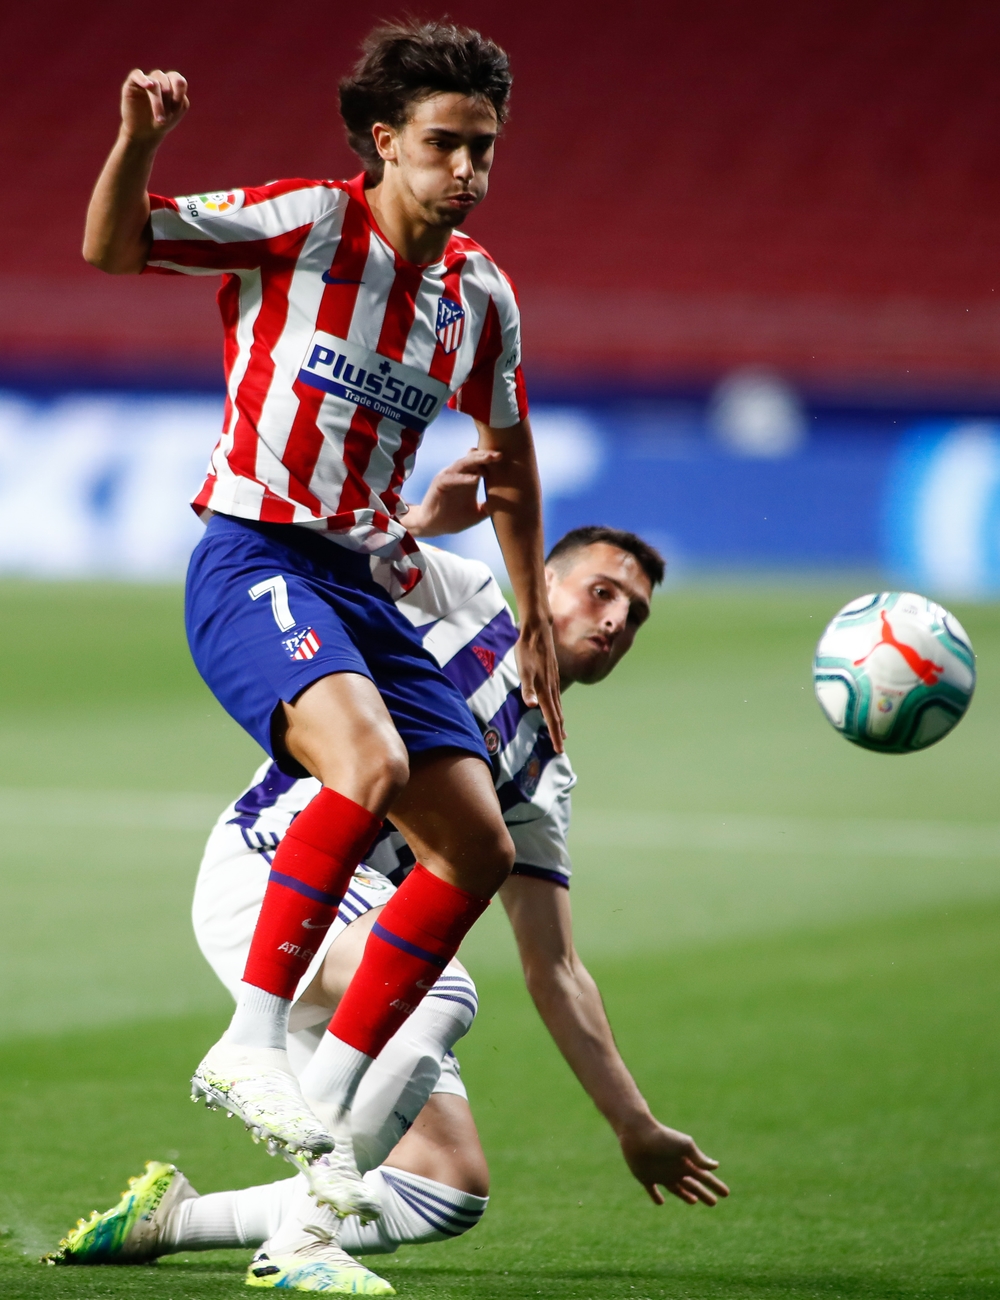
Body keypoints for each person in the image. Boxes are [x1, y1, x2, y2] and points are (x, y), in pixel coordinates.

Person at [81, 19, 566, 1219]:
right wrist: (137, 144)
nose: (468, 171)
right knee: (367, 763)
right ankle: (250, 1037)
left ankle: (328, 1107)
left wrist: (537, 616)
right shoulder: (304, 223)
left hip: (361, 575)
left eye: (484, 149)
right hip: (253, 551)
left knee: (475, 846)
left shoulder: (480, 295)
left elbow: (506, 455)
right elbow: (113, 249)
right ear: (383, 142)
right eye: (445, 145)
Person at [44, 468, 728, 1293]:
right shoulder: (469, 596)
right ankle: (302, 1241)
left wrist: (633, 1122)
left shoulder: (548, 774)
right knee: (444, 996)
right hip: (276, 866)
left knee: (444, 1190)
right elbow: (335, 553)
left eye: (635, 614)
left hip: (377, 931)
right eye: (601, 590)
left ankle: (172, 1219)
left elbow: (556, 969)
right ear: (540, 580)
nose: (616, 618)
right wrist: (419, 518)